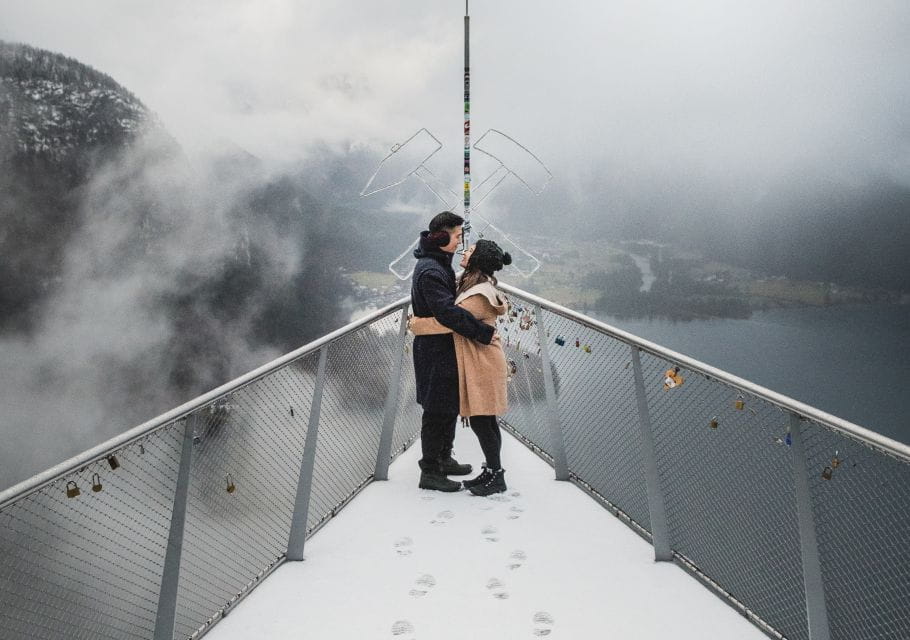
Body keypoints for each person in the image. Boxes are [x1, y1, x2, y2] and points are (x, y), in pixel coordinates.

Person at [410, 239, 512, 496]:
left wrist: (416, 324)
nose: (465, 250)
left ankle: (496, 475)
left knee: (483, 421)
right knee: (485, 421)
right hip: (480, 361)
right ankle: (492, 472)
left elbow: (449, 321)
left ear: (478, 259)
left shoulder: (479, 294)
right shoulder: (472, 283)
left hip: (483, 364)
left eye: (471, 250)